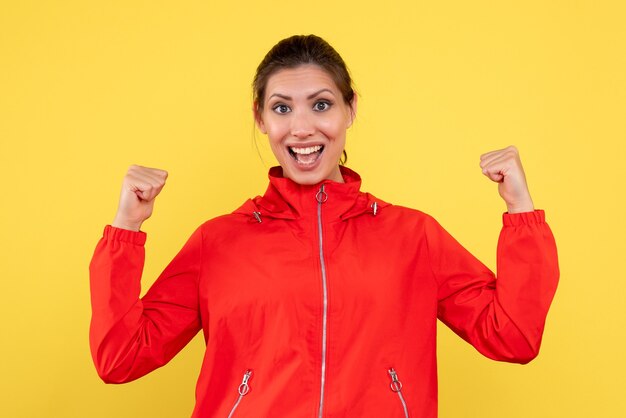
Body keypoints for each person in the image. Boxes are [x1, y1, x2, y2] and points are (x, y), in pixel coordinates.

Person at [89, 34, 559, 418]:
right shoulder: (218, 242)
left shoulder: (413, 237)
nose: (301, 129)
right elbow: (120, 358)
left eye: (320, 105)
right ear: (260, 118)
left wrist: (520, 208)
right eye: (281, 108)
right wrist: (126, 228)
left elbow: (512, 336)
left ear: (350, 109)